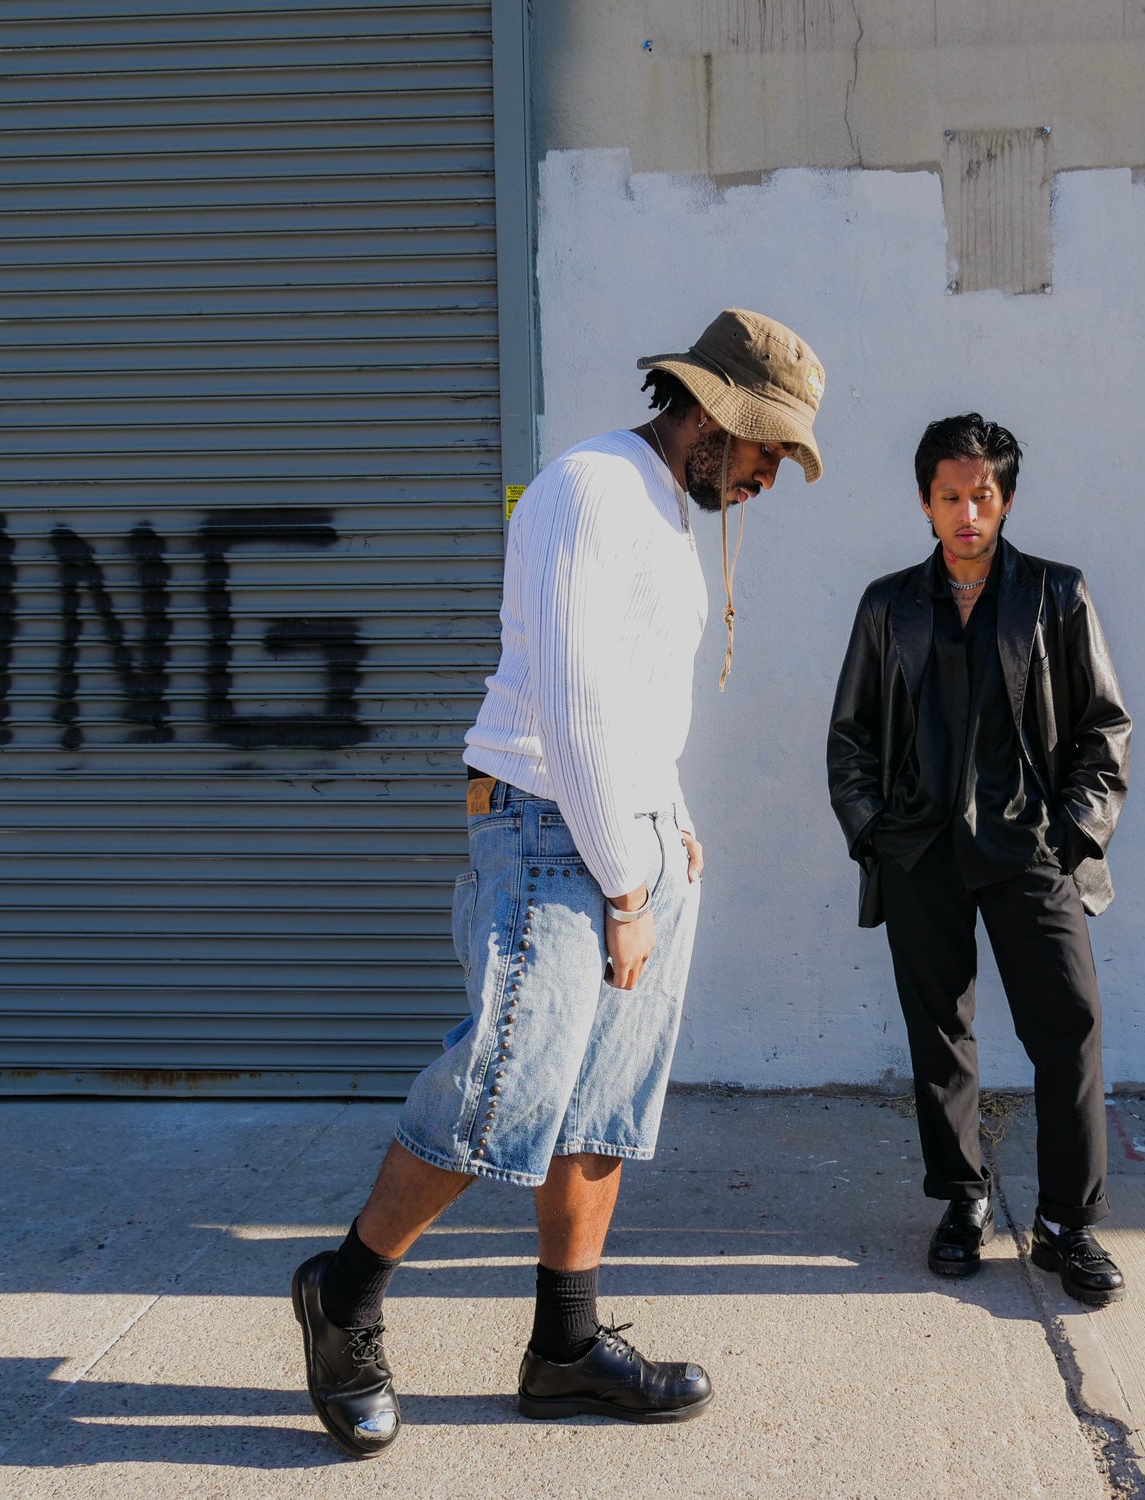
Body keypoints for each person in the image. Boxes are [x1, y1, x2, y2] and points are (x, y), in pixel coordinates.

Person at [293, 309, 827, 1455]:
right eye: (768, 450)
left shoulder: (659, 509)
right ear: (714, 415)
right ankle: (342, 1299)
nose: (770, 477)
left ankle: (565, 1350)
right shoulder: (589, 488)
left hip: (622, 834)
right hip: (551, 831)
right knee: (503, 1091)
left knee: (602, 1102)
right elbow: (575, 711)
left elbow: (635, 710)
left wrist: (668, 828)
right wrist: (628, 890)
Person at [826, 413, 1131, 1306]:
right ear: (926, 502)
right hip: (920, 850)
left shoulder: (1054, 594)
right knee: (938, 1035)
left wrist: (1071, 832)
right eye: (950, 497)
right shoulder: (889, 605)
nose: (967, 513)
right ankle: (961, 1202)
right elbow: (850, 737)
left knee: (1068, 1025)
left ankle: (1067, 1225)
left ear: (1004, 500)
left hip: (1028, 846)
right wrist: (874, 830)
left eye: (982, 496)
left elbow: (1103, 727)